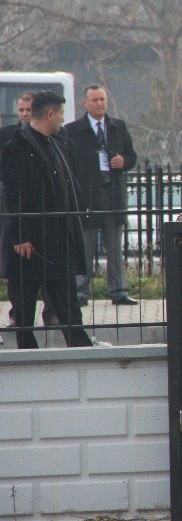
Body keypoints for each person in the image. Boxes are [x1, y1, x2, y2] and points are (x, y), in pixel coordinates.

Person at [1, 91, 91, 348]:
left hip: (58, 240)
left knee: (67, 303)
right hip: (29, 244)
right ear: (50, 114)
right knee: (24, 308)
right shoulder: (15, 147)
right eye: (61, 114)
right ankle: (27, 353)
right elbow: (12, 194)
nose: (63, 119)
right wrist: (20, 235)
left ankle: (81, 347)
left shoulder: (58, 145)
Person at [64, 84, 138, 307]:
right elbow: (68, 164)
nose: (99, 104)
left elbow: (132, 157)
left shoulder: (118, 127)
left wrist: (123, 162)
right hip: (86, 197)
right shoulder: (73, 130)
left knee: (115, 247)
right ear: (85, 103)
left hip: (112, 195)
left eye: (102, 100)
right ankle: (81, 291)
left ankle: (119, 291)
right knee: (84, 247)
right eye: (95, 100)